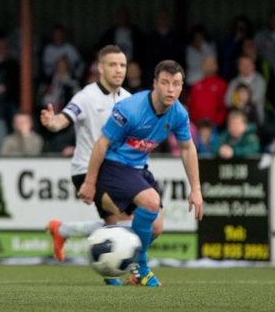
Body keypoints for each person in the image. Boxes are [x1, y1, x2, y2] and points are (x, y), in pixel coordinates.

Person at [78, 60, 203, 287]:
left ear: (182, 86)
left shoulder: (179, 113)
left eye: (176, 84)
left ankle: (114, 263)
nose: (171, 89)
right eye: (165, 83)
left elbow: (187, 148)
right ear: (155, 84)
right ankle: (141, 268)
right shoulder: (129, 109)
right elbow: (101, 144)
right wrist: (90, 181)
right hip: (113, 166)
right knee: (151, 201)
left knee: (156, 228)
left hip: (138, 169)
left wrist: (196, 189)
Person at [40, 46, 132, 279]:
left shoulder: (129, 100)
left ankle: (62, 229)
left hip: (116, 171)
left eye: (122, 65)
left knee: (120, 226)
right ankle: (138, 271)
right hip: (86, 170)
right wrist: (52, 122)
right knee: (126, 219)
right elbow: (64, 119)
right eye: (112, 65)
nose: (118, 70)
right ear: (101, 68)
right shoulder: (86, 96)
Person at [187, 55, 228, 129]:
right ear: (203, 66)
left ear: (216, 66)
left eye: (212, 64)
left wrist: (217, 122)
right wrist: (195, 121)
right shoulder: (196, 85)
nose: (209, 66)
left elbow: (224, 106)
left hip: (215, 127)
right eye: (207, 64)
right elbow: (191, 105)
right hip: (198, 127)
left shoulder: (222, 85)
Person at [225, 55, 267, 125]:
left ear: (253, 66)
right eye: (242, 64)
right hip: (236, 121)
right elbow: (228, 101)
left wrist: (241, 102)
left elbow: (256, 98)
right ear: (238, 67)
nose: (245, 67)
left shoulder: (259, 80)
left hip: (254, 120)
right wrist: (240, 104)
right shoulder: (234, 82)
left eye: (248, 64)